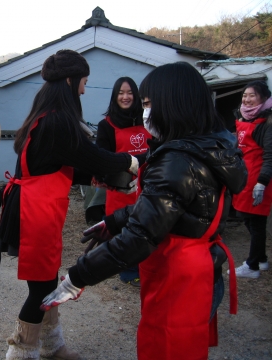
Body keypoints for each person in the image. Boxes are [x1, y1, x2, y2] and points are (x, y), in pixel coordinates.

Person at [41, 61, 248, 360]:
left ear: (172, 104)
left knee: (168, 347)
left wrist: (77, 276)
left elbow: (139, 237)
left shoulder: (177, 161)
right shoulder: (211, 147)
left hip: (177, 273)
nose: (144, 112)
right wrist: (114, 220)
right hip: (202, 266)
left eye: (148, 104)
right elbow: (173, 209)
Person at [0, 50, 139, 360]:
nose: (85, 90)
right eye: (84, 82)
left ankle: (51, 345)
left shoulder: (46, 115)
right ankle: (20, 353)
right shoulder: (59, 120)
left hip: (38, 205)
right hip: (35, 211)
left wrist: (94, 177)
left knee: (47, 280)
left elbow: (60, 165)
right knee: (40, 288)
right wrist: (129, 161)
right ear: (71, 81)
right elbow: (92, 156)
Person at [95, 76, 151, 287]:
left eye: (129, 93)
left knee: (147, 228)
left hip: (147, 186)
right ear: (114, 96)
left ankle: (146, 267)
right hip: (121, 189)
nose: (126, 97)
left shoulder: (147, 120)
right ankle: (128, 272)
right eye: (121, 93)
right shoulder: (106, 125)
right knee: (123, 231)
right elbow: (102, 159)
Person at [230, 80, 272, 278]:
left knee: (256, 223)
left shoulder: (268, 124)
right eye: (245, 95)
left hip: (258, 180)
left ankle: (252, 266)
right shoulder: (243, 118)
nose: (247, 99)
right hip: (244, 178)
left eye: (252, 95)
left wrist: (262, 182)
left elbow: (270, 155)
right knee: (248, 219)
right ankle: (262, 259)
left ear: (263, 98)